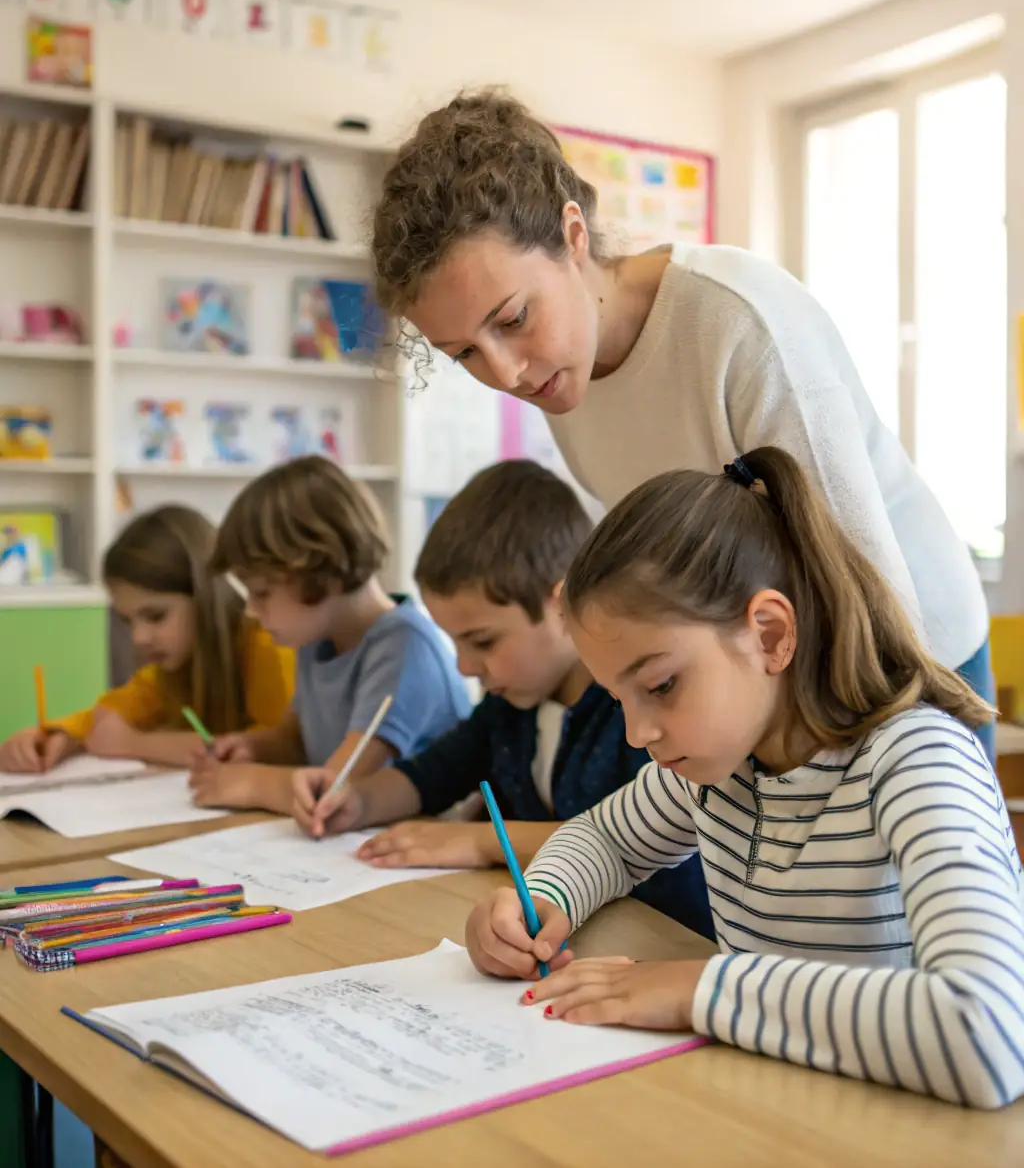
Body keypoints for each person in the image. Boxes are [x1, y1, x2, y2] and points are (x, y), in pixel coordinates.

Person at [370, 89, 996, 761]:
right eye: (464, 353)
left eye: (514, 318)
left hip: (904, 657)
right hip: (763, 677)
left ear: (572, 235)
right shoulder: (564, 379)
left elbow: (862, 584)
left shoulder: (739, 324)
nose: (507, 373)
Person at [464, 448, 1023, 1109]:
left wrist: (703, 988)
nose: (639, 732)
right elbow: (605, 841)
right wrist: (539, 900)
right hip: (763, 1104)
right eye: (621, 699)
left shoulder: (916, 761)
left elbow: (987, 1031)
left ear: (769, 634)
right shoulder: (720, 766)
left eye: (662, 684)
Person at [303, 458, 715, 938]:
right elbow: (430, 776)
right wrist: (357, 801)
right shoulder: (509, 707)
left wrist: (480, 843)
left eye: (482, 642)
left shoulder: (638, 715)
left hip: (664, 944)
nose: (463, 667)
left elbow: (644, 847)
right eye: (454, 642)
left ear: (562, 605)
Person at [191, 455, 469, 816]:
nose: (250, 610)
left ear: (320, 572)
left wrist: (250, 783)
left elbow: (335, 787)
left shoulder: (404, 646)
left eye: (260, 592)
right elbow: (296, 742)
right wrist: (252, 749)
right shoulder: (318, 639)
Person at [0, 505, 294, 774]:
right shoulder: (175, 668)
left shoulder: (269, 646)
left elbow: (270, 749)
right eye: (128, 620)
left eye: (155, 616)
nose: (138, 637)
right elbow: (113, 711)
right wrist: (60, 736)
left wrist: (133, 743)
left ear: (206, 598)